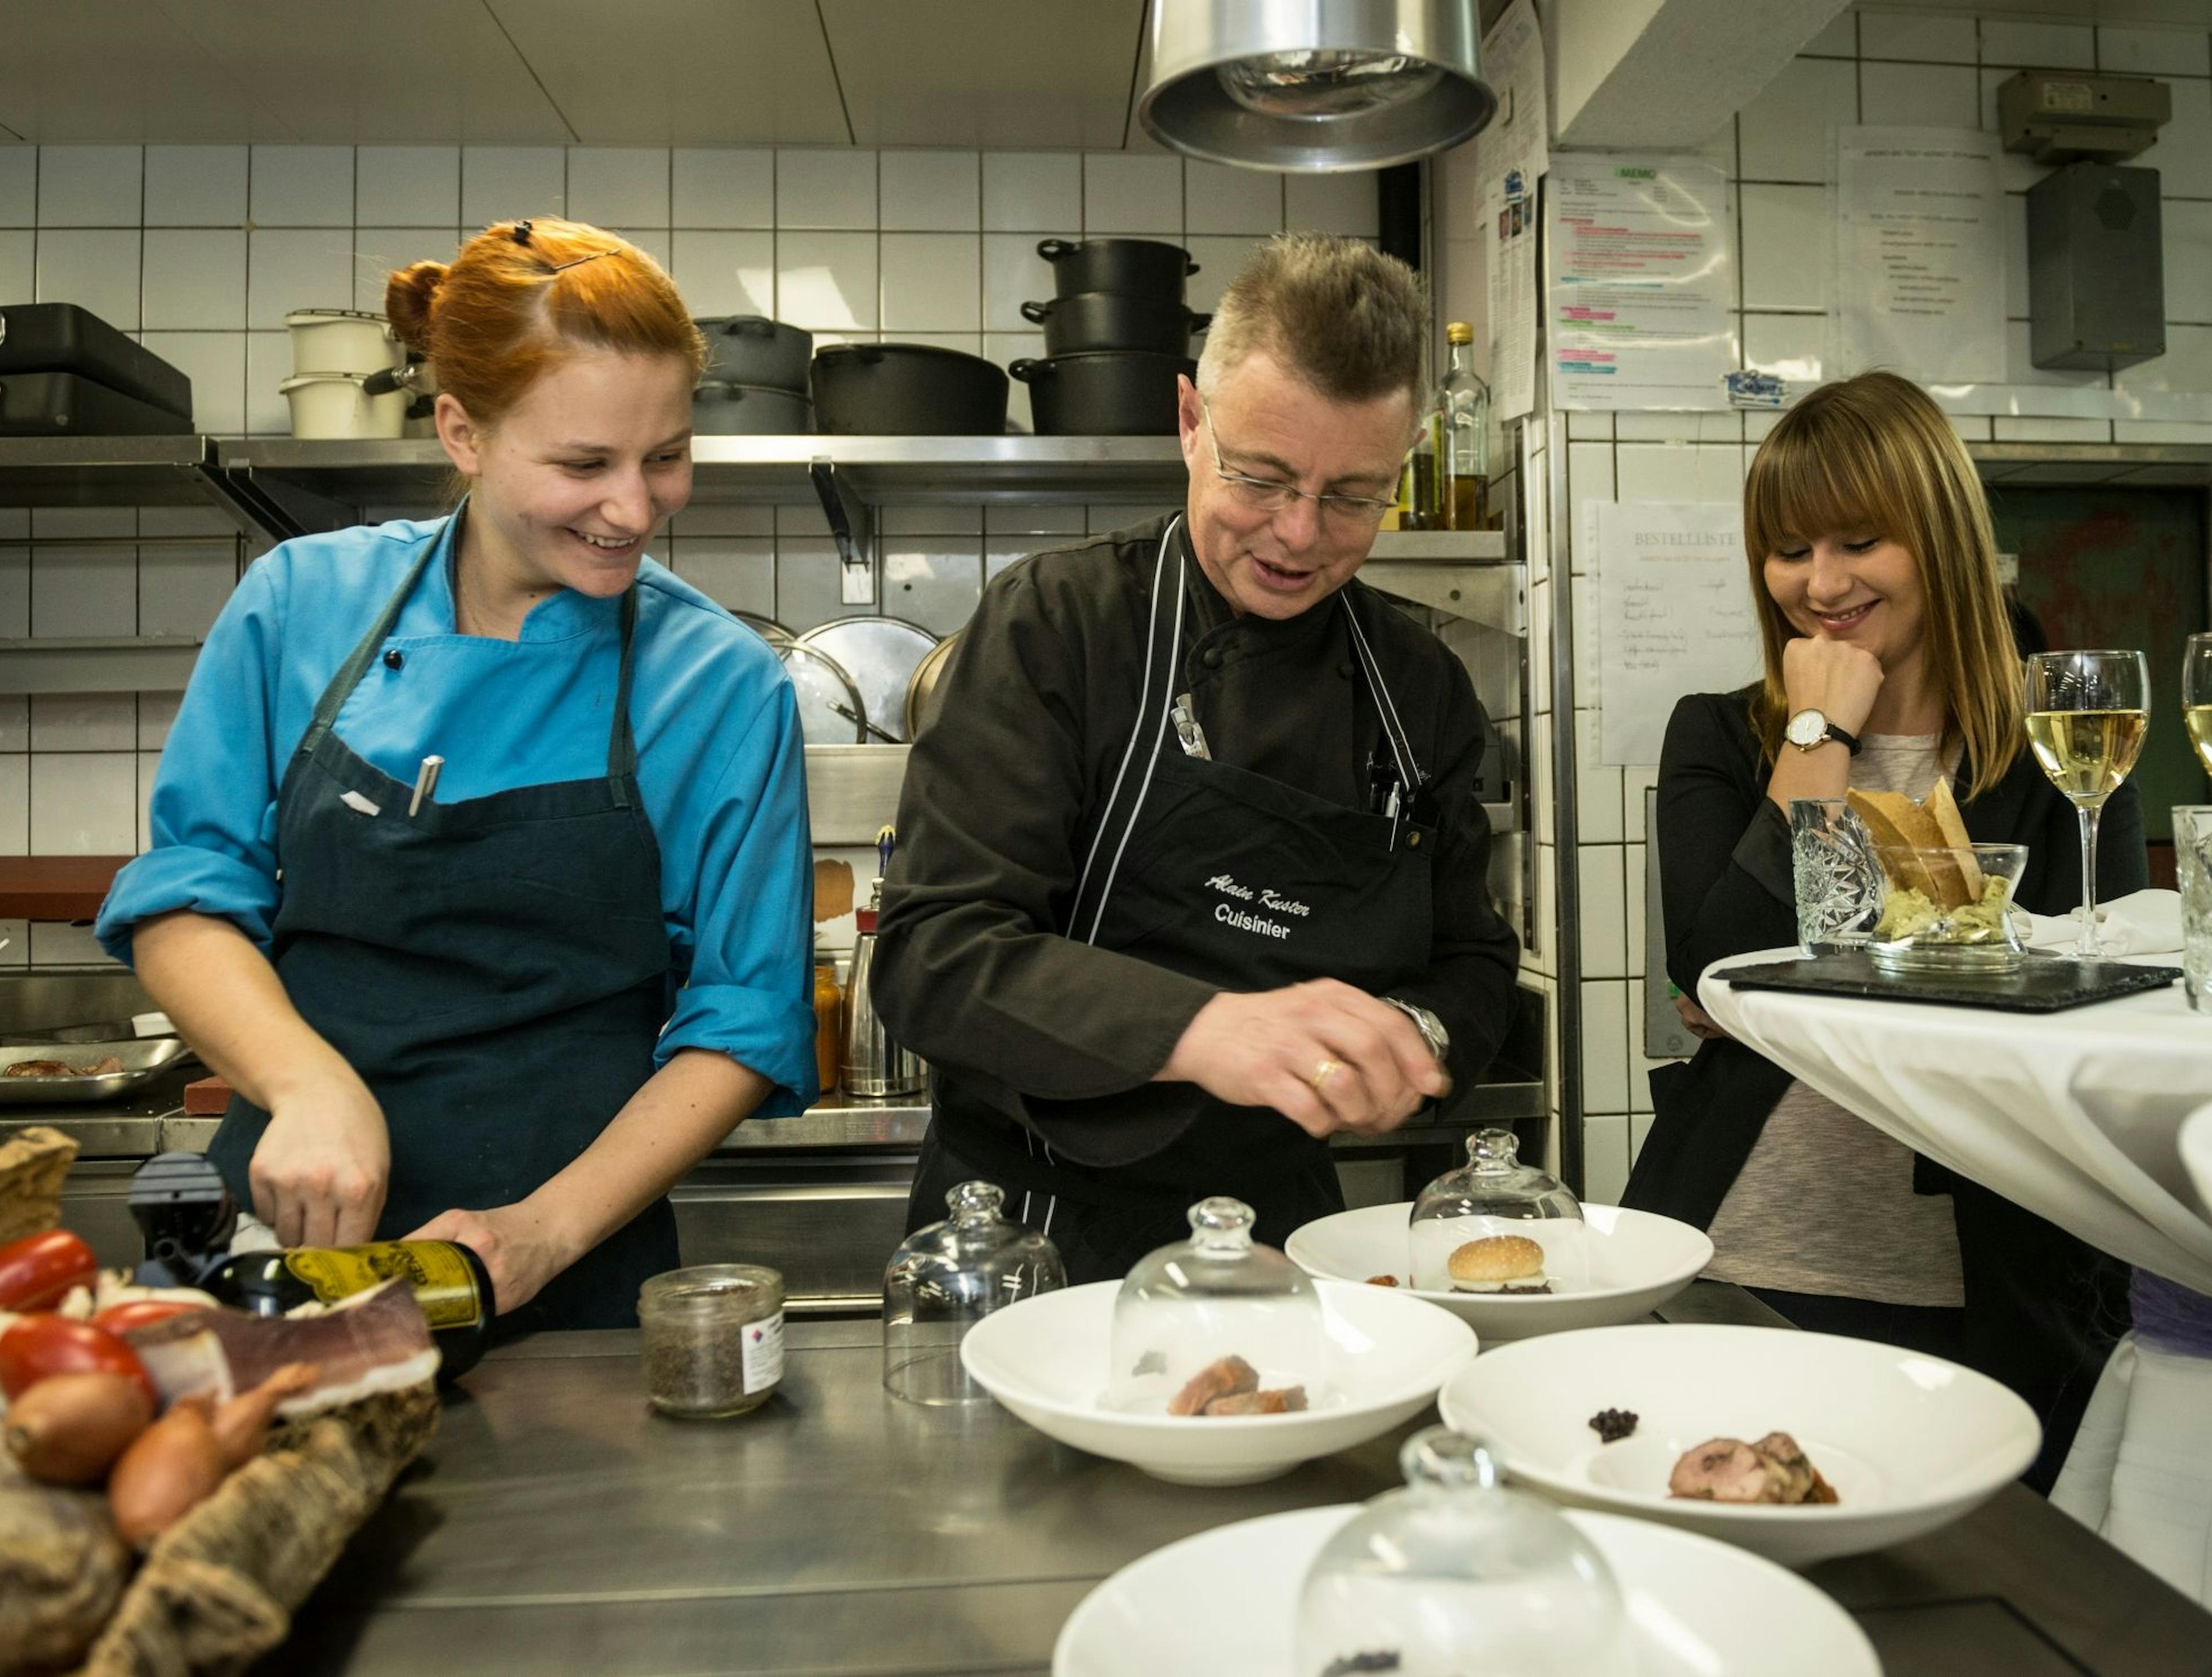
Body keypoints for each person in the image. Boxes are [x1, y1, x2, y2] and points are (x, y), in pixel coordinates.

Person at [97, 218, 817, 1331]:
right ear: (462, 431)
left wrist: (540, 1235)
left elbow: (745, 1019)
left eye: (666, 457)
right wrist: (307, 1085)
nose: (636, 510)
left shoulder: (718, 683)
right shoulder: (301, 604)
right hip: (287, 1242)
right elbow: (187, 896)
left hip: (571, 1266)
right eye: (583, 464)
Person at [870, 234, 1520, 1280]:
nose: (1299, 534)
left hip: (1285, 1233)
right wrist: (1208, 1029)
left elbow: (1473, 959)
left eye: (1355, 495)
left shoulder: (1417, 683)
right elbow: (934, 954)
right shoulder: (1059, 625)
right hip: (1030, 1231)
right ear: (1188, 423)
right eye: (1260, 477)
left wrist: (1417, 1037)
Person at [1626, 371, 2142, 1488]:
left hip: (1996, 1281)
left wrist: (1812, 989)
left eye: (1862, 540)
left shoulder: (2052, 758)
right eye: (1790, 549)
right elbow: (1716, 968)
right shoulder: (1721, 737)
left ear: (1942, 537)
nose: (1821, 583)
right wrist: (1820, 728)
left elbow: (2085, 996)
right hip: (1745, 1255)